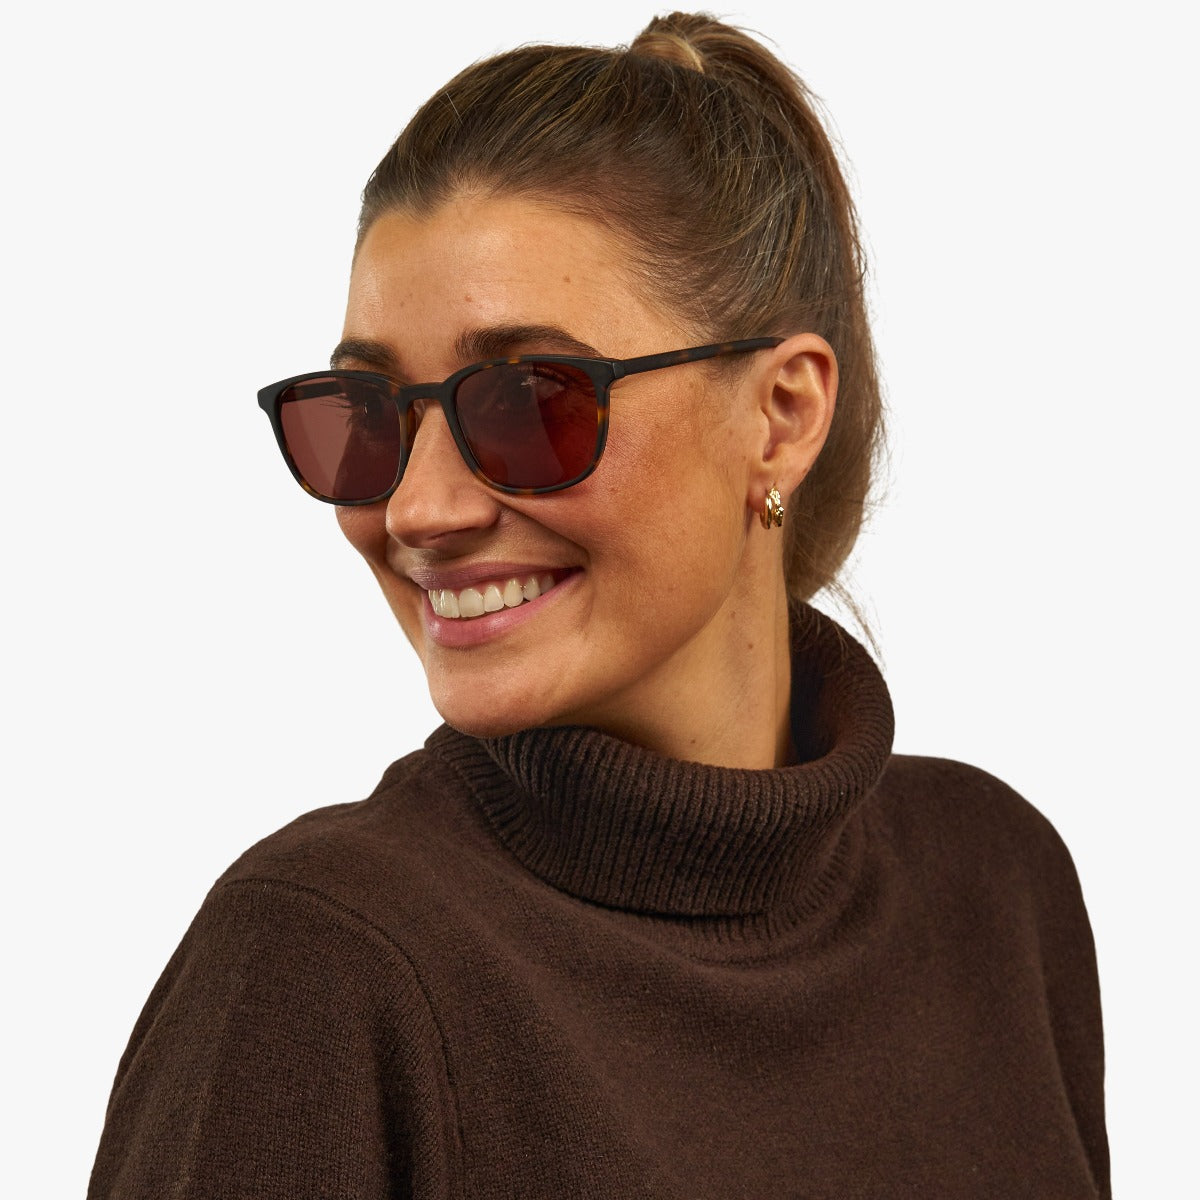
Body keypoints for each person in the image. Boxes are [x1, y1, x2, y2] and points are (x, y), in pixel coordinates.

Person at [88, 11, 1108, 1197]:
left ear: (782, 415)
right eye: (364, 415)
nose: (418, 508)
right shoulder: (322, 962)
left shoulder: (996, 886)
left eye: (530, 402)